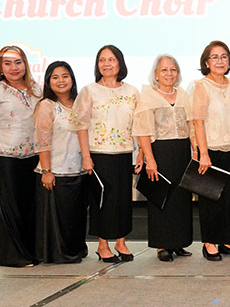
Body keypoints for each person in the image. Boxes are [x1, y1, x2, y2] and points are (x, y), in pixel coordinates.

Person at [75, 44, 140, 263]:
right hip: (99, 153)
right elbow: (80, 125)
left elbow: (139, 125)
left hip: (124, 153)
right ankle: (102, 245)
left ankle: (121, 242)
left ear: (120, 63)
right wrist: (86, 156)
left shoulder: (132, 91)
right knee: (103, 200)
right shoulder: (89, 90)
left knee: (123, 200)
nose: (106, 64)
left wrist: (140, 153)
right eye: (102, 60)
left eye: (111, 59)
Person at [133, 54, 198, 262]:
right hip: (159, 152)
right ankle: (162, 245)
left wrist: (195, 150)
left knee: (181, 199)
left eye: (173, 70)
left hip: (181, 152)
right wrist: (149, 159)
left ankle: (178, 242)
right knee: (161, 197)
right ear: (156, 74)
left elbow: (191, 125)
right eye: (164, 70)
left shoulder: (184, 95)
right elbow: (142, 131)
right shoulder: (148, 96)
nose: (169, 73)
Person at [191, 41, 230, 261]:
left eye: (224, 56)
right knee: (211, 198)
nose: (220, 61)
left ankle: (228, 240)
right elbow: (197, 121)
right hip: (211, 150)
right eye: (214, 57)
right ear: (206, 62)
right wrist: (203, 153)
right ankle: (210, 243)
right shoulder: (201, 85)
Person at [34, 61, 88, 264]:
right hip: (54, 172)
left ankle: (75, 251)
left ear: (72, 79)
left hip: (78, 171)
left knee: (74, 218)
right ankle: (57, 254)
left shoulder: (80, 104)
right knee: (58, 220)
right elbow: (42, 140)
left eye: (65, 76)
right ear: (48, 81)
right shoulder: (47, 106)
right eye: (55, 77)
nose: (61, 80)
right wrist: (47, 170)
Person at [0, 45, 41, 267]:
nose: (13, 68)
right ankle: (13, 255)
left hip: (33, 157)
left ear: (25, 64)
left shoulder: (37, 89)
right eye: (7, 63)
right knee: (11, 208)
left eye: (17, 62)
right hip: (6, 157)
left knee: (30, 206)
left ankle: (32, 250)